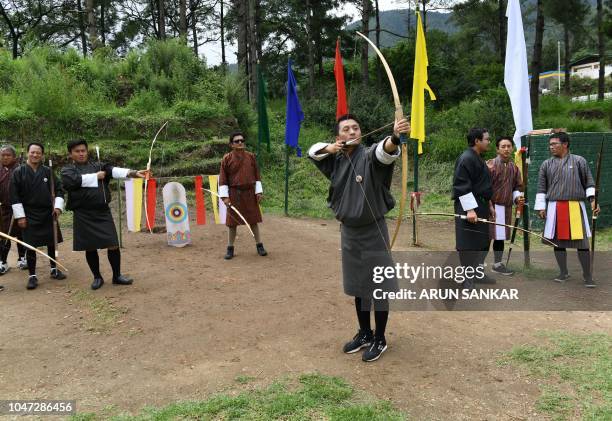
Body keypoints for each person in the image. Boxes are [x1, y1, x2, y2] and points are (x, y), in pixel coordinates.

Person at [309, 113, 410, 362]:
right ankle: (365, 333)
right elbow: (313, 152)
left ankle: (380, 338)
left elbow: (384, 151)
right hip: (350, 232)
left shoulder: (369, 155)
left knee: (379, 287)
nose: (352, 131)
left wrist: (396, 136)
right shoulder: (335, 161)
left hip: (373, 230)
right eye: (346, 129)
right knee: (358, 285)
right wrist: (330, 148)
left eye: (356, 128)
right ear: (338, 137)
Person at [61, 139, 148, 290]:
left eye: (83, 150)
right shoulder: (67, 170)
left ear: (87, 151)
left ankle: (117, 276)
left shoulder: (98, 165)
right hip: (83, 213)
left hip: (102, 212)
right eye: (77, 151)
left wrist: (133, 173)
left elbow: (113, 170)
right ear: (71, 154)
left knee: (113, 243)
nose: (81, 154)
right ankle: (97, 277)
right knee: (90, 247)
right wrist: (96, 176)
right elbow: (72, 182)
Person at [534, 132, 600, 287]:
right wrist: (541, 207)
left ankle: (587, 275)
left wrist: (592, 200)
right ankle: (563, 272)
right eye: (550, 144)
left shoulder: (579, 161)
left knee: (582, 244)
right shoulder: (546, 164)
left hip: (575, 207)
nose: (551, 147)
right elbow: (541, 187)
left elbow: (589, 183)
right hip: (554, 208)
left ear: (565, 144)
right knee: (558, 243)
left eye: (554, 144)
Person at [10, 142, 66, 290]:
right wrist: (20, 216)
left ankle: (54, 269)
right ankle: (32, 275)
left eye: (38, 153)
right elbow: (14, 196)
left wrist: (58, 207)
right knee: (30, 245)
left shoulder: (48, 171)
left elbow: (59, 189)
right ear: (28, 153)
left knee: (51, 242)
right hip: (28, 214)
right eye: (33, 152)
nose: (35, 155)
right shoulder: (18, 172)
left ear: (42, 155)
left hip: (48, 212)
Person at [452, 128, 495, 288]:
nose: (489, 142)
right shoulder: (466, 158)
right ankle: (467, 278)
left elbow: (482, 184)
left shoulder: (477, 158)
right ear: (477, 141)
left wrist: (489, 204)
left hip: (481, 205)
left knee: (482, 241)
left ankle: (477, 273)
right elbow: (462, 185)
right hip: (469, 207)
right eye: (486, 139)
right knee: (468, 243)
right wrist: (470, 209)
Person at [219, 132, 267, 259]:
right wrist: (225, 197)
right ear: (231, 144)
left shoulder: (251, 157)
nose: (240, 142)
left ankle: (259, 245)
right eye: (237, 141)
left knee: (253, 221)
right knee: (232, 223)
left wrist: (259, 192)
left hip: (250, 193)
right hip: (234, 194)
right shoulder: (226, 159)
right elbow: (223, 180)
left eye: (242, 140)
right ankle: (230, 248)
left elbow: (257, 176)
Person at [486, 136, 524, 276]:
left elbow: (517, 187)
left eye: (509, 146)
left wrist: (517, 197)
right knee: (486, 236)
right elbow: (484, 188)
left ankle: (497, 264)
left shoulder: (514, 168)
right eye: (503, 146)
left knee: (500, 237)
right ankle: (477, 266)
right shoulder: (490, 165)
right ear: (497, 149)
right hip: (490, 206)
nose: (506, 149)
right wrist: (488, 205)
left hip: (506, 207)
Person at [0, 144, 27, 277]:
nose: (5, 157)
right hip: (3, 208)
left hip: (19, 207)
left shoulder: (20, 169)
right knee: (4, 235)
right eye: (3, 155)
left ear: (14, 157)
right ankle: (2, 261)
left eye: (8, 155)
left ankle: (22, 258)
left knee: (21, 234)